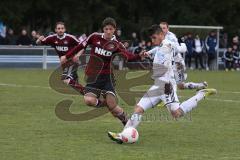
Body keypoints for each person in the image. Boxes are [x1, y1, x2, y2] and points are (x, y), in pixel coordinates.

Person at [107, 25, 217, 144]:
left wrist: (182, 44)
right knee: (138, 109)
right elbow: (156, 50)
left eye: (154, 38)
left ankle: (201, 94)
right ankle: (123, 135)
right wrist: (147, 53)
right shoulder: (159, 46)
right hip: (157, 85)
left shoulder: (168, 44)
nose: (152, 40)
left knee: (176, 114)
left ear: (161, 35)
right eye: (151, 38)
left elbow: (181, 49)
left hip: (167, 86)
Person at [64, 17, 146, 125]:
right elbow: (80, 46)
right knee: (89, 100)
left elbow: (128, 57)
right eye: (106, 29)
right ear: (103, 29)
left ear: (114, 30)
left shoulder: (117, 44)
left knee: (112, 105)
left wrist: (139, 56)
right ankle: (105, 104)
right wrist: (67, 56)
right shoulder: (94, 37)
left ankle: (128, 124)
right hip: (93, 77)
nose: (108, 31)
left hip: (107, 78)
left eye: (110, 29)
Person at [36, 21, 85, 94]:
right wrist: (39, 39)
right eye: (58, 28)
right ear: (55, 30)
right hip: (64, 63)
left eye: (62, 28)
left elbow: (83, 46)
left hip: (72, 61)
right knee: (73, 81)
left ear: (65, 29)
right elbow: (38, 43)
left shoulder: (70, 38)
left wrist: (77, 55)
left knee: (65, 78)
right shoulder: (52, 38)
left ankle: (85, 91)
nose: (60, 30)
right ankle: (86, 91)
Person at [160, 22, 207, 91]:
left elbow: (175, 49)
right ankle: (200, 85)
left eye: (164, 28)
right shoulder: (160, 37)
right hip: (170, 63)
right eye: (161, 28)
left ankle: (171, 100)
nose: (162, 29)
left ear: (168, 28)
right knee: (180, 86)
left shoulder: (171, 37)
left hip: (177, 63)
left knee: (172, 83)